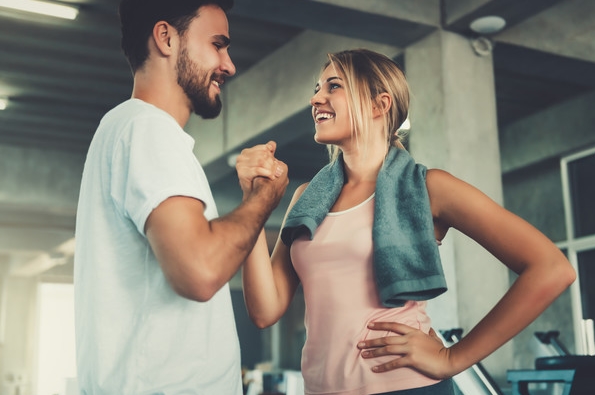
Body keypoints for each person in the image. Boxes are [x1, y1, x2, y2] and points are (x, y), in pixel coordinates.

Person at [240, 48, 576, 395]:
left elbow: (551, 268)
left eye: (333, 86)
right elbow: (265, 311)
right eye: (316, 88)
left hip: (406, 387)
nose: (316, 98)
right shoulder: (306, 198)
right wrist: (252, 206)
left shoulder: (428, 187)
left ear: (378, 105)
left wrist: (452, 358)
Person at [73, 0, 288, 394]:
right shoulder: (146, 129)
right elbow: (200, 270)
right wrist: (264, 198)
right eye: (217, 45)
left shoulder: (131, 130)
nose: (229, 64)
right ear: (166, 38)